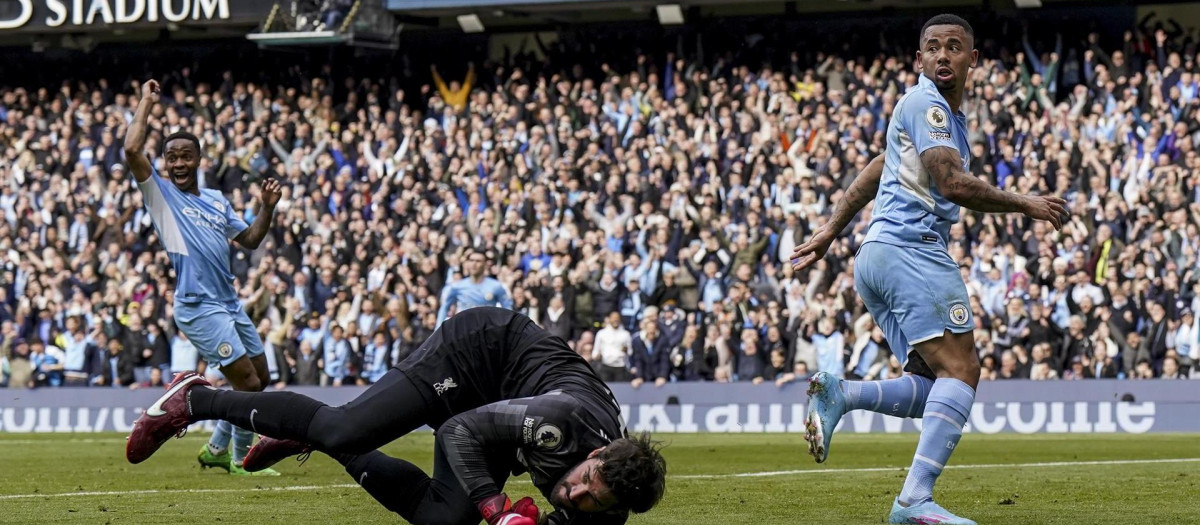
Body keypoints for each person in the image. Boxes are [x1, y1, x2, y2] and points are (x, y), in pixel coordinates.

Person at [791, 14, 1068, 525]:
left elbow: (879, 168)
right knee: (962, 369)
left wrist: (832, 229)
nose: (943, 55)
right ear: (920, 60)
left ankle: (842, 393)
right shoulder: (927, 104)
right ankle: (913, 501)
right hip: (910, 250)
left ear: (972, 60)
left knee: (933, 383)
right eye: (934, 48)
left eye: (955, 47)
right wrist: (1025, 202)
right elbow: (952, 183)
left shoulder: (934, 113)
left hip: (877, 254)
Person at [126, 307, 665, 525]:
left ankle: (313, 433)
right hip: (479, 353)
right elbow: (461, 429)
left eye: (596, 502)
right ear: (594, 454)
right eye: (585, 482)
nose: (576, 496)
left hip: (504, 410)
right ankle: (195, 399)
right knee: (345, 426)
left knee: (443, 519)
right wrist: (497, 507)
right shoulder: (562, 423)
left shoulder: (609, 505)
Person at [123, 78, 283, 476]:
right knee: (245, 383)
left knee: (259, 379)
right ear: (164, 163)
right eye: (171, 157)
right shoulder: (161, 196)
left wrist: (267, 208)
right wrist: (146, 102)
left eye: (185, 157)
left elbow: (248, 239)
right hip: (197, 306)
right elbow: (130, 149)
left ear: (198, 160)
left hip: (228, 303)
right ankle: (242, 458)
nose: (178, 164)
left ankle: (215, 447)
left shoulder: (215, 200)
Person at [437, 250, 514, 329]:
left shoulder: (496, 286)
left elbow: (508, 308)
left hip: (487, 332)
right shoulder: (458, 286)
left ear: (485, 264)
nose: (474, 264)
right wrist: (437, 330)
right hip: (464, 332)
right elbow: (445, 307)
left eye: (478, 261)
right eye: (471, 260)